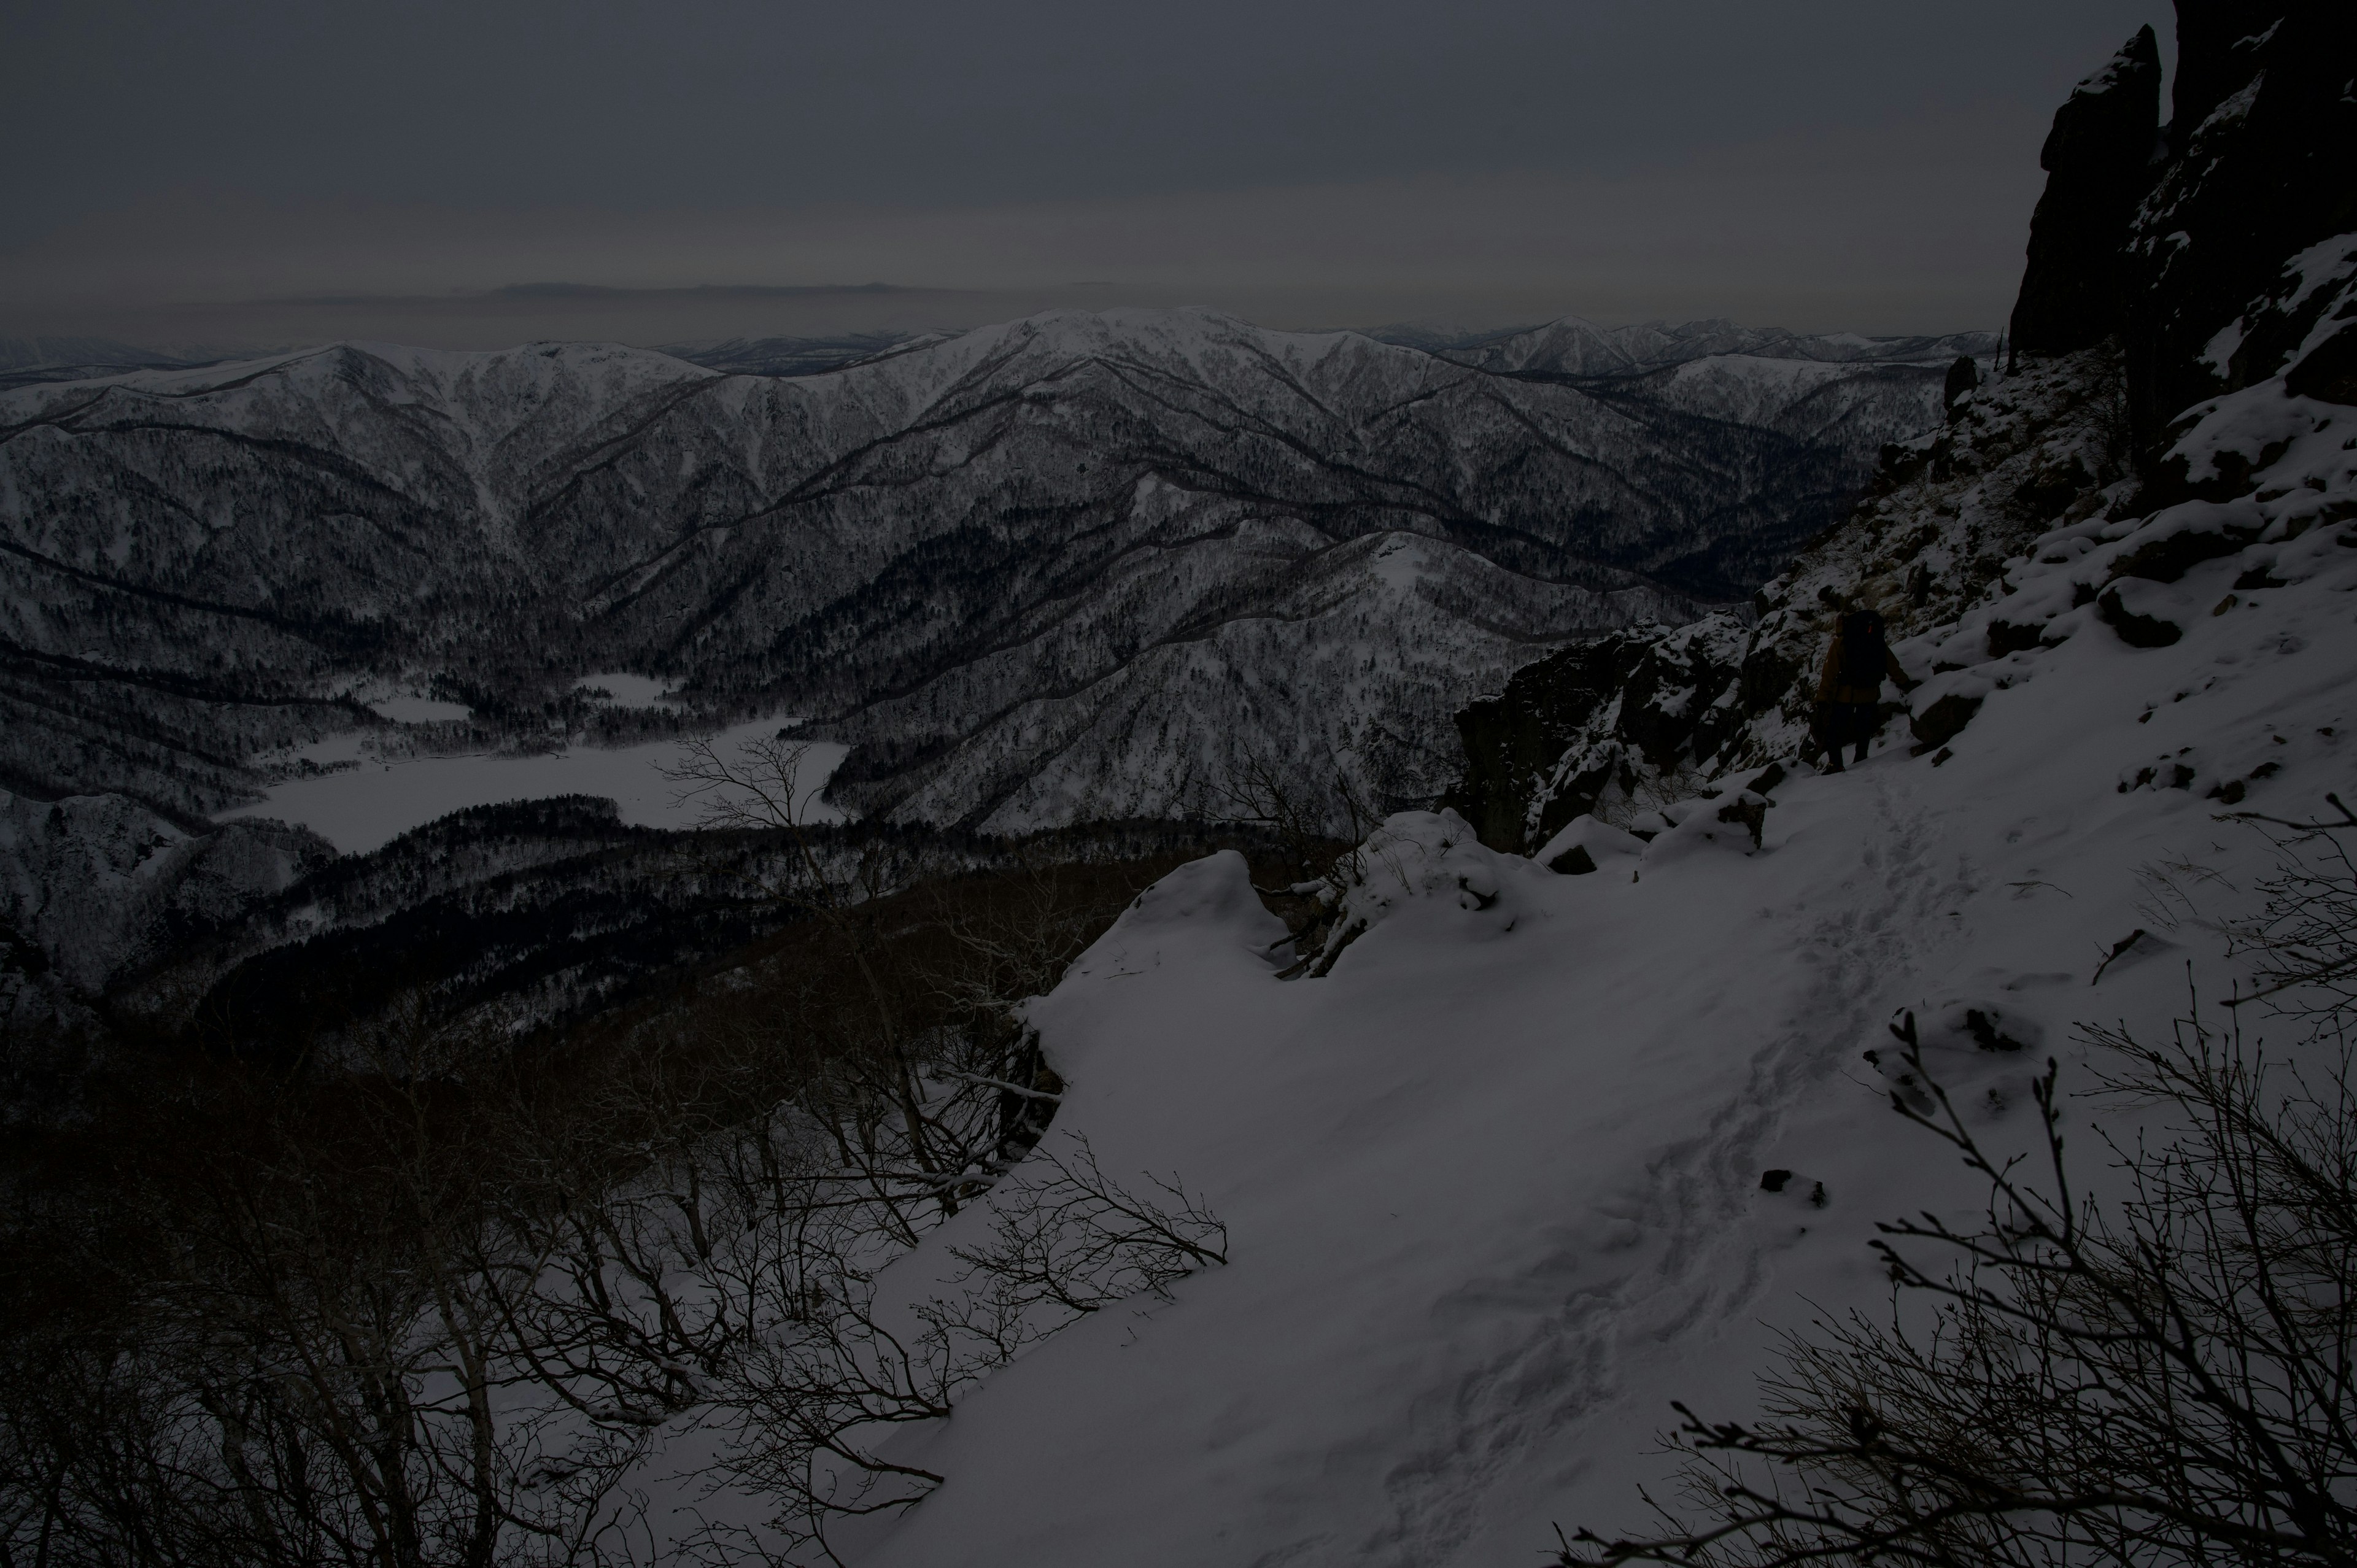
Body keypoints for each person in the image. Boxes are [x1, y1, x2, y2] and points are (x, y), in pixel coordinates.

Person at [1812, 606, 1918, 772]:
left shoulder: (1841, 643)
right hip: (1870, 694)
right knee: (1863, 730)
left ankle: (1836, 765)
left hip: (1846, 696)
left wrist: (1822, 698)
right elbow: (1892, 666)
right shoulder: (1875, 641)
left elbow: (1829, 675)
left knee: (1835, 732)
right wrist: (1905, 683)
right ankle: (1861, 760)